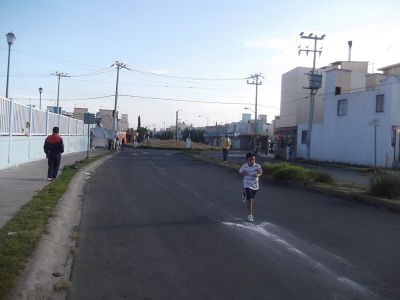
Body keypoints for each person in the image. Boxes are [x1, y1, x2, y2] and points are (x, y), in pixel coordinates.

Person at [239, 152, 263, 222]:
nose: (252, 161)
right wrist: (244, 173)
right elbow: (240, 172)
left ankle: (244, 195)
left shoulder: (257, 166)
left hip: (255, 185)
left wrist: (257, 175)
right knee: (250, 200)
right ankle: (250, 215)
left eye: (253, 159)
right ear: (247, 160)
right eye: (250, 160)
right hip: (247, 184)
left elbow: (261, 172)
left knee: (251, 198)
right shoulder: (244, 166)